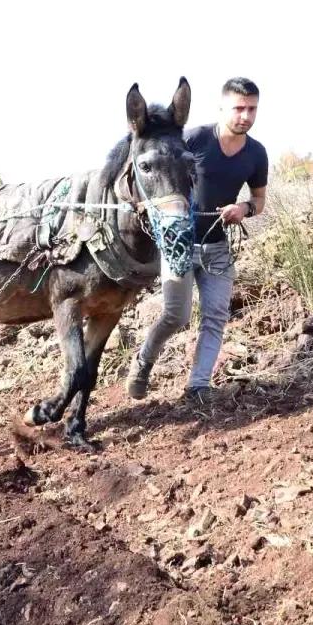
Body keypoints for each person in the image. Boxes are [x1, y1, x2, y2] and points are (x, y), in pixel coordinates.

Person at [125, 76, 268, 401]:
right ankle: (143, 361)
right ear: (222, 107)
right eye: (238, 108)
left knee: (216, 316)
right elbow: (153, 166)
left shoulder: (256, 153)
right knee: (176, 316)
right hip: (180, 245)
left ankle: (198, 387)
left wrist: (243, 208)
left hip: (218, 248)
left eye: (252, 109)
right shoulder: (192, 139)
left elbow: (259, 201)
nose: (245, 116)